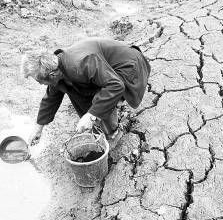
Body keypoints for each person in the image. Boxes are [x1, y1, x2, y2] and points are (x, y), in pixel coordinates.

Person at [21, 38, 151, 147]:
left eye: (38, 80)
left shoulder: (82, 63)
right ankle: (99, 123)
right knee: (76, 93)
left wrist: (91, 115)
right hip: (107, 71)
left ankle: (113, 133)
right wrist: (39, 127)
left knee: (101, 98)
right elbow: (51, 98)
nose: (39, 83)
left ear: (52, 74)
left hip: (129, 66)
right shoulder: (57, 67)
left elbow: (115, 85)